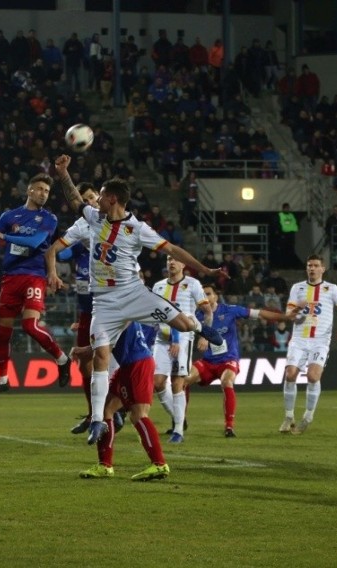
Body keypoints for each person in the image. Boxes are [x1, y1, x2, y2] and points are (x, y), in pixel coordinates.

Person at [49, 154, 225, 445]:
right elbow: (73, 199)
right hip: (103, 302)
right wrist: (63, 173)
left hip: (133, 293)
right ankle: (96, 421)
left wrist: (203, 268)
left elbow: (173, 250)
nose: (96, 202)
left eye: (101, 197)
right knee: (101, 356)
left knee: (181, 322)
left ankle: (201, 328)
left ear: (113, 199)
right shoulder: (94, 218)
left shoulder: (138, 229)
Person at [0, 173, 72, 401]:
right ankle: (2, 380)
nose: (44, 194)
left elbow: (35, 242)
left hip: (34, 276)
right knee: (3, 334)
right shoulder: (10, 216)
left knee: (30, 326)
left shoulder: (49, 219)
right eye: (40, 189)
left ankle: (62, 359)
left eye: (47, 191)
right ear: (29, 191)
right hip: (10, 278)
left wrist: (4, 235)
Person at [177, 282, 300, 438]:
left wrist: (284, 317)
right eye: (202, 294)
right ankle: (181, 420)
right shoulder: (196, 316)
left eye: (208, 293)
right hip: (208, 361)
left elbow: (260, 313)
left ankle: (229, 427)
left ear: (215, 296)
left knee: (227, 382)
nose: (205, 297)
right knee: (183, 380)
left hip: (228, 359)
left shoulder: (230, 310)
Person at [77, 321, 170, 482]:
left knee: (138, 415)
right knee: (106, 409)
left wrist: (86, 349)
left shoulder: (118, 308)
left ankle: (159, 463)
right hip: (128, 365)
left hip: (138, 364)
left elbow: (106, 344)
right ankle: (104, 465)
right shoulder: (119, 307)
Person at [44, 183, 100, 434]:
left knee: (109, 360)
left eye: (91, 197)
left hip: (111, 305)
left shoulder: (115, 224)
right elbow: (55, 251)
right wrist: (53, 274)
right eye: (84, 199)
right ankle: (94, 414)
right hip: (87, 308)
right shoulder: (79, 229)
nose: (89, 202)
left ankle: (113, 410)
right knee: (84, 364)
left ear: (100, 198)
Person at [279, 255, 337, 435]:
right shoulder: (297, 288)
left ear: (322, 269)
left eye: (315, 266)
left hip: (320, 341)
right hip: (298, 339)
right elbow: (288, 314)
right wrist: (297, 308)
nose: (312, 268)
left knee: (312, 376)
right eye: (309, 265)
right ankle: (289, 416)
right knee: (290, 374)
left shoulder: (331, 289)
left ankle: (308, 416)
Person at [151, 255, 212, 444]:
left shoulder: (193, 284)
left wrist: (205, 336)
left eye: (176, 259)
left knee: (178, 382)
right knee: (158, 382)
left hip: (184, 338)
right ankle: (180, 418)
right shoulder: (158, 286)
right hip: (161, 339)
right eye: (168, 259)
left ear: (183, 264)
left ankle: (178, 430)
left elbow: (208, 312)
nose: (171, 262)